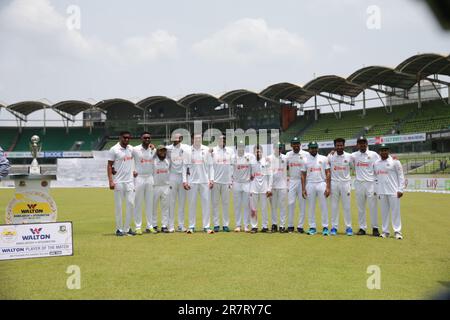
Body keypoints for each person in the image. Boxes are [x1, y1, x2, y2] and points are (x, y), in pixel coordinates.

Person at [183, 134, 214, 234]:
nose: (197, 139)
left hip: (205, 181)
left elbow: (210, 166)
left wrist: (211, 179)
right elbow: (184, 166)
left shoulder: (206, 150)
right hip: (192, 181)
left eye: (199, 138)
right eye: (196, 138)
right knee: (192, 204)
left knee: (206, 204)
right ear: (192, 139)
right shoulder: (188, 151)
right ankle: (191, 227)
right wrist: (185, 181)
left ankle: (207, 226)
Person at [107, 131, 136, 236]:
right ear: (120, 137)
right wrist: (110, 181)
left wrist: (151, 147)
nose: (126, 140)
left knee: (131, 204)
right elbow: (110, 165)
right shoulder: (114, 149)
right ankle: (119, 229)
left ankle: (127, 228)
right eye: (124, 138)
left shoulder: (131, 149)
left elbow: (140, 155)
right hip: (118, 182)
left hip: (129, 182)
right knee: (119, 206)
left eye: (128, 138)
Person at [374, 144, 405, 239]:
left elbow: (401, 176)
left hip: (393, 191)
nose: (383, 152)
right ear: (379, 152)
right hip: (382, 192)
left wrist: (401, 189)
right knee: (384, 213)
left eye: (385, 150)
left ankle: (397, 232)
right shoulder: (376, 163)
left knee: (395, 212)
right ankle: (385, 232)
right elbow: (375, 177)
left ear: (388, 151)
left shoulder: (395, 162)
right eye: (382, 150)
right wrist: (377, 190)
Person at [351, 136, 381, 236]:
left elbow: (381, 163)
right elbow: (343, 157)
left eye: (364, 143)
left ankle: (375, 228)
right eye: (360, 143)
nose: (362, 144)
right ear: (357, 145)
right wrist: (331, 153)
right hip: (359, 184)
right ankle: (362, 228)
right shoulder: (354, 155)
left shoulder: (374, 155)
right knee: (360, 208)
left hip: (371, 184)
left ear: (367, 144)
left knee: (373, 207)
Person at [301, 142, 331, 236]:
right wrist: (303, 189)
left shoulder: (323, 158)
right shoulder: (305, 160)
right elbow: (303, 175)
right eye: (311, 148)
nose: (313, 149)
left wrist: (328, 187)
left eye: (315, 148)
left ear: (317, 148)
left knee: (324, 206)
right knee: (311, 207)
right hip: (310, 184)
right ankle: (312, 227)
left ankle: (325, 227)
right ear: (308, 149)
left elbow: (328, 173)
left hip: (322, 183)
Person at [328, 138, 353, 236]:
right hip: (334, 183)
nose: (339, 147)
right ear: (335, 146)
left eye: (341, 145)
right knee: (334, 207)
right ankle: (334, 227)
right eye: (337, 145)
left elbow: (353, 167)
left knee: (347, 207)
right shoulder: (330, 156)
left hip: (345, 184)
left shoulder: (349, 156)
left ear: (344, 145)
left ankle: (349, 227)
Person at [132, 132, 156, 235]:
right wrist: (132, 170)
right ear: (141, 138)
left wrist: (154, 148)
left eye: (149, 138)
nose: (147, 139)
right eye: (145, 137)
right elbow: (128, 159)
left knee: (149, 203)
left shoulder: (153, 150)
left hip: (150, 178)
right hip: (139, 178)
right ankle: (138, 227)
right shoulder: (135, 149)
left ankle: (149, 226)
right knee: (138, 203)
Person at [166, 133, 190, 232]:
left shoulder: (186, 148)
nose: (176, 140)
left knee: (182, 203)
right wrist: (152, 147)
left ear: (181, 139)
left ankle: (181, 225)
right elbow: (157, 151)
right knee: (171, 202)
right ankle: (170, 226)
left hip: (183, 178)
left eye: (178, 138)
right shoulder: (168, 148)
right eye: (174, 138)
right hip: (172, 177)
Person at [211, 135, 234, 232]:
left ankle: (225, 225)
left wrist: (231, 180)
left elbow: (232, 166)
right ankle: (216, 225)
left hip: (226, 182)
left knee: (225, 204)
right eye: (220, 139)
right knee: (215, 204)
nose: (222, 141)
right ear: (217, 141)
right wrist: (211, 179)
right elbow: (210, 166)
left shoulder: (230, 151)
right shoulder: (213, 151)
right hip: (216, 181)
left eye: (224, 139)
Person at [286, 137, 308, 233]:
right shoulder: (288, 155)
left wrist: (331, 153)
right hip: (292, 181)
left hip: (303, 182)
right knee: (291, 203)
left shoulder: (305, 154)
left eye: (297, 144)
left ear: (300, 144)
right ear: (291, 145)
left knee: (302, 204)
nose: (296, 145)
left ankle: (300, 226)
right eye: (294, 144)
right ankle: (290, 226)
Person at [249, 145, 273, 233]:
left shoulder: (266, 161)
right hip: (253, 188)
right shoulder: (251, 162)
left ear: (262, 152)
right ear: (254, 152)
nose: (258, 153)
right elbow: (250, 175)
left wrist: (269, 188)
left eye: (259, 151)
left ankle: (265, 227)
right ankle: (254, 227)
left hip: (264, 189)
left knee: (264, 208)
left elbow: (270, 175)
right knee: (253, 209)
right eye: (256, 151)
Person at [231, 140, 253, 232]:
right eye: (239, 146)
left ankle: (246, 225)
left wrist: (252, 178)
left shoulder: (249, 156)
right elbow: (230, 169)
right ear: (236, 148)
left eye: (242, 146)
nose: (240, 148)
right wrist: (230, 181)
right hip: (236, 183)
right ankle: (238, 225)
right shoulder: (233, 157)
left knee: (246, 205)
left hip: (247, 183)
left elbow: (253, 168)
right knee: (237, 205)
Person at [267, 143, 288, 233]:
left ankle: (282, 226)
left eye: (279, 148)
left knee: (282, 206)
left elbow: (300, 155)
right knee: (273, 207)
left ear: (281, 149)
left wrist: (331, 153)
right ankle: (274, 225)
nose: (278, 150)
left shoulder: (285, 157)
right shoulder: (269, 158)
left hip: (283, 186)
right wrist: (269, 188)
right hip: (273, 187)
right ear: (274, 148)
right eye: (276, 148)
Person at [153, 145, 173, 233]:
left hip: (166, 186)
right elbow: (151, 154)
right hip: (155, 186)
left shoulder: (168, 161)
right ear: (157, 152)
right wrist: (154, 149)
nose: (163, 153)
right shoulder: (153, 161)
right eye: (160, 151)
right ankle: (153, 225)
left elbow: (171, 152)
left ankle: (164, 225)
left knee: (165, 207)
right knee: (153, 207)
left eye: (164, 151)